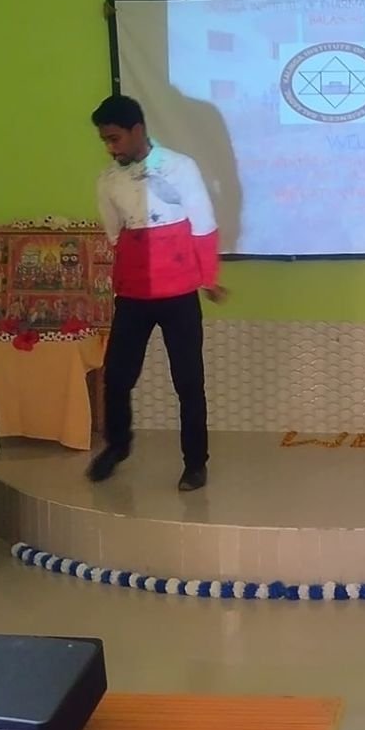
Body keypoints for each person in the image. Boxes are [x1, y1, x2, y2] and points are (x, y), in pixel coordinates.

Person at [86, 94, 227, 491]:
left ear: (137, 130)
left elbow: (203, 225)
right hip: (133, 296)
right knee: (117, 377)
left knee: (188, 382)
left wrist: (208, 276)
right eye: (105, 141)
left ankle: (195, 463)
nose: (110, 148)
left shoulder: (180, 168)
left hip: (178, 294)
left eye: (115, 138)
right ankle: (117, 446)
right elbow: (115, 234)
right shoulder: (108, 181)